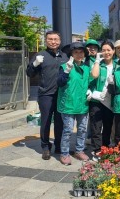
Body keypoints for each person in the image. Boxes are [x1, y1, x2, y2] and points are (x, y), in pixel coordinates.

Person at [26, 31, 68, 160]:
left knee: (60, 122)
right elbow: (29, 73)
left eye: (56, 39)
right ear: (46, 40)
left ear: (60, 41)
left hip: (61, 94)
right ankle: (45, 146)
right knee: (45, 121)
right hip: (46, 94)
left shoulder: (65, 56)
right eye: (50, 39)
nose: (53, 41)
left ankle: (59, 145)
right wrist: (35, 64)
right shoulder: (40, 55)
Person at [57, 42, 90, 165]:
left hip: (82, 104)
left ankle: (79, 151)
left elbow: (91, 82)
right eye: (75, 52)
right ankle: (64, 153)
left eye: (81, 52)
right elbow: (59, 83)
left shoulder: (87, 68)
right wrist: (66, 71)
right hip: (68, 104)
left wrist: (90, 90)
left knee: (82, 129)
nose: (78, 54)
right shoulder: (64, 66)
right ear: (71, 54)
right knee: (68, 130)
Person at [89, 41, 117, 159]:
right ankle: (96, 150)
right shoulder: (99, 64)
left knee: (107, 126)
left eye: (109, 50)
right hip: (97, 100)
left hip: (110, 101)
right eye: (104, 50)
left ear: (113, 51)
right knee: (96, 127)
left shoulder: (118, 65)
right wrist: (96, 60)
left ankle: (105, 148)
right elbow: (94, 76)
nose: (106, 52)